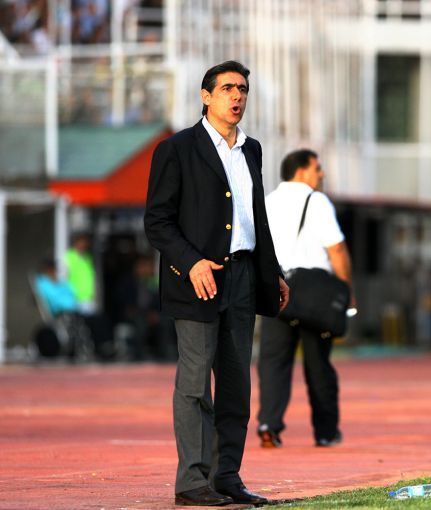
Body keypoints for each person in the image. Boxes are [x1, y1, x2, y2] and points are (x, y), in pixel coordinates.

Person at [144, 60, 289, 507]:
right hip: (197, 281)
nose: (237, 96)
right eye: (227, 88)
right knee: (194, 385)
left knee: (235, 385)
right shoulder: (176, 149)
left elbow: (254, 218)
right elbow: (157, 221)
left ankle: (226, 477)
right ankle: (192, 481)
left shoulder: (252, 149)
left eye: (242, 89)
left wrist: (273, 270)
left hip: (244, 278)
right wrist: (191, 263)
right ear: (206, 96)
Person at [256, 149, 353, 449]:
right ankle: (325, 432)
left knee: (273, 362)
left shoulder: (268, 201)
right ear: (300, 171)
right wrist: (346, 290)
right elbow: (336, 249)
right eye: (316, 168)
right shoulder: (317, 201)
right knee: (318, 364)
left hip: (276, 290)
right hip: (314, 294)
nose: (321, 174)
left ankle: (268, 424)